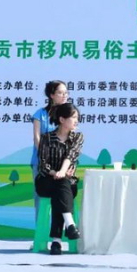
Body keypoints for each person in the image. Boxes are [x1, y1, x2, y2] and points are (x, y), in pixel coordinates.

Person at [36, 102, 84, 255]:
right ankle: (69, 225)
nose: (76, 121)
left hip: (66, 182)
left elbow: (71, 156)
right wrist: (55, 173)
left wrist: (62, 172)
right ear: (62, 119)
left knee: (61, 189)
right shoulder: (46, 138)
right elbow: (43, 164)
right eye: (73, 117)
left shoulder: (78, 137)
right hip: (46, 181)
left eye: (77, 118)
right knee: (61, 186)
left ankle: (57, 241)